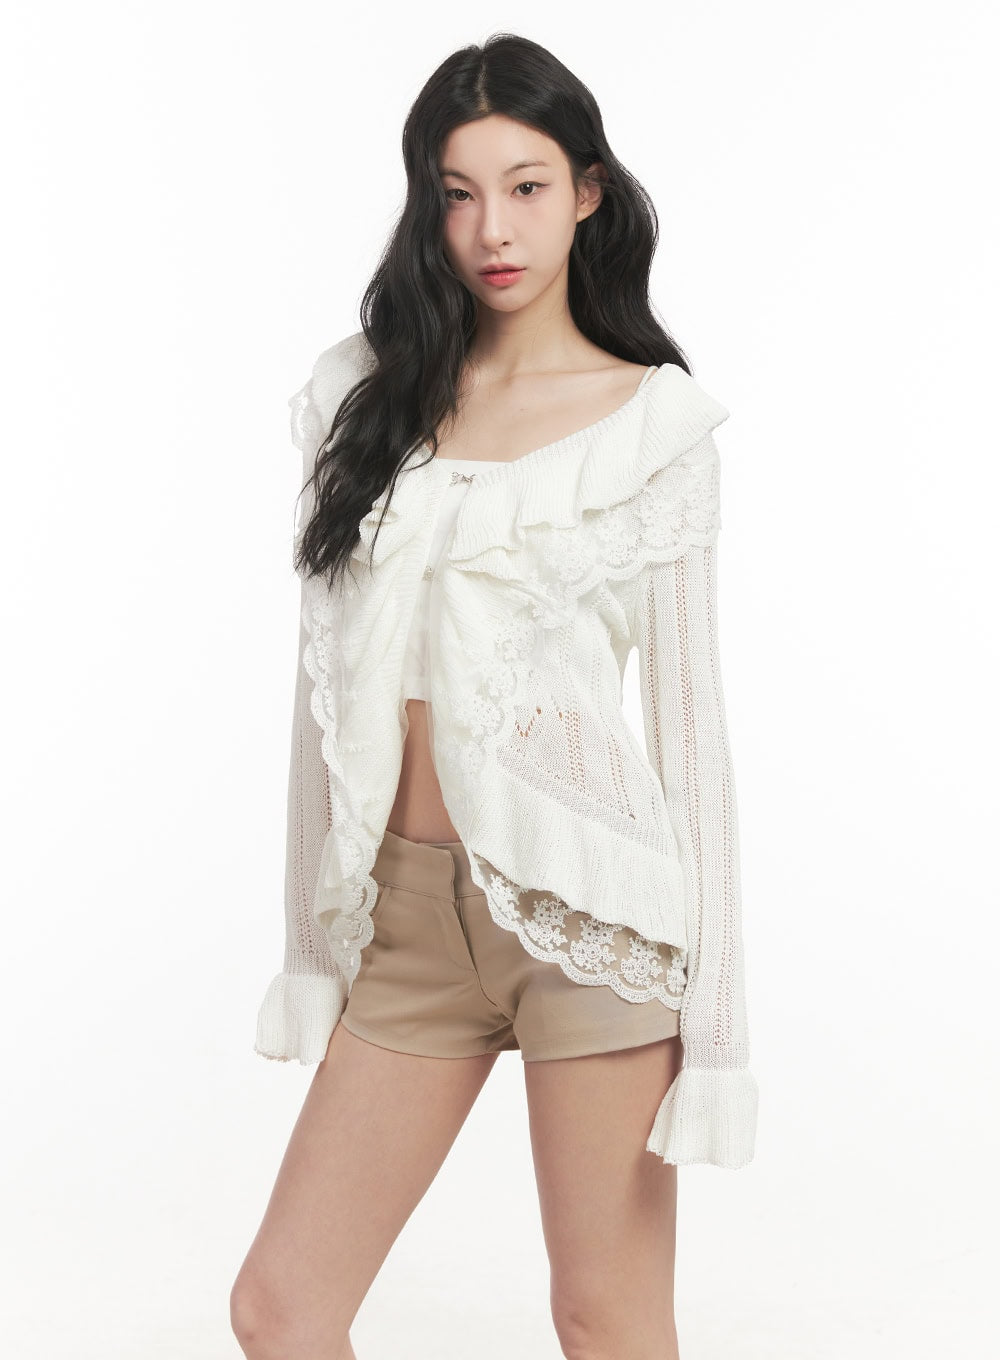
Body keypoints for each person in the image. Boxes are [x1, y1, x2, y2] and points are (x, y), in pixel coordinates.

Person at [231, 31, 758, 1360]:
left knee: (604, 1317)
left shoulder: (651, 426)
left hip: (592, 918)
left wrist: (719, 1037)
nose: (492, 230)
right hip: (408, 920)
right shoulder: (363, 402)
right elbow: (320, 702)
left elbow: (692, 739)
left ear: (588, 191)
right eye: (457, 193)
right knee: (282, 1309)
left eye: (526, 187)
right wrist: (313, 944)